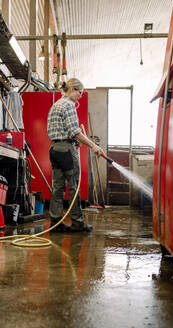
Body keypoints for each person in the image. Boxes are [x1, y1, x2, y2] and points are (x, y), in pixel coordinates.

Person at [47, 78, 104, 232]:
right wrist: (93, 145)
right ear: (73, 89)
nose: (80, 95)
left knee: (57, 187)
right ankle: (78, 223)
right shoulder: (69, 105)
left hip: (54, 149)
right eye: (80, 92)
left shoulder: (56, 105)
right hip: (66, 150)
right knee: (73, 186)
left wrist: (73, 141)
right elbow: (74, 131)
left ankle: (55, 222)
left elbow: (59, 131)